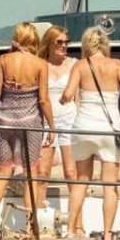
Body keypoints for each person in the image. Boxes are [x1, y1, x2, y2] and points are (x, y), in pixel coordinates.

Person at [64, 25, 120, 240]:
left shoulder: (80, 65)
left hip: (84, 127)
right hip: (109, 129)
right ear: (106, 45)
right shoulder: (116, 65)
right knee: (110, 185)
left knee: (81, 180)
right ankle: (107, 234)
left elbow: (68, 94)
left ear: (86, 45)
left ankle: (70, 231)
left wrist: (63, 99)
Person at [0, 22, 53, 236]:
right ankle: (30, 227)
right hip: (30, 124)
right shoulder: (40, 64)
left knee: (3, 171)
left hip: (4, 122)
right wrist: (52, 127)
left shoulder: (3, 60)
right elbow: (44, 100)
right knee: (31, 174)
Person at [35, 25, 79, 217]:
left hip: (70, 120)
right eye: (59, 42)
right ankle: (38, 219)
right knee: (43, 172)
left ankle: (77, 222)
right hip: (46, 121)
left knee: (71, 172)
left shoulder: (75, 64)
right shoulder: (40, 64)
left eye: (66, 42)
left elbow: (78, 96)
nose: (63, 46)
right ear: (50, 43)